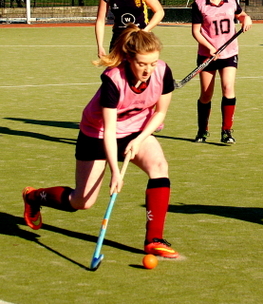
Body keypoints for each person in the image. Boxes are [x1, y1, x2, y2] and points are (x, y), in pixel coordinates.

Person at [22, 25, 179, 259]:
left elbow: (160, 113)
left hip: (136, 129)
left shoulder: (163, 71)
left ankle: (153, 240)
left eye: (153, 63)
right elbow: (109, 129)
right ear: (128, 59)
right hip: (97, 133)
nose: (148, 70)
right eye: (142, 64)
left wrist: (139, 139)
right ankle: (33, 197)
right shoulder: (113, 80)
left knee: (159, 167)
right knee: (82, 201)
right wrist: (116, 171)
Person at [192, 0, 252, 144]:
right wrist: (209, 47)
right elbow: (196, 32)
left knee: (228, 89)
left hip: (228, 53)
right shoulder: (199, 4)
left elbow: (241, 15)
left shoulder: (231, 0)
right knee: (206, 95)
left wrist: (246, 19)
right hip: (207, 55)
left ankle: (226, 131)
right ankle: (202, 131)